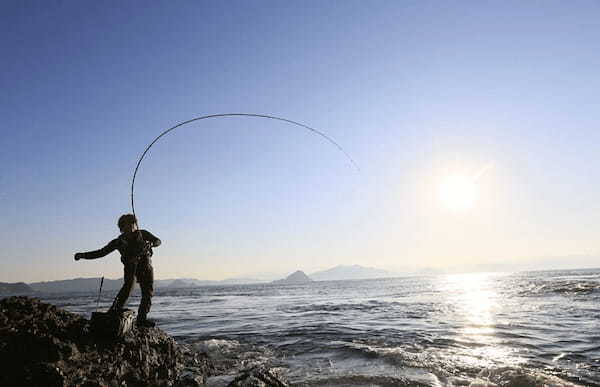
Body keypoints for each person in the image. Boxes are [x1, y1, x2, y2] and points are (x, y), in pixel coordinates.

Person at [74, 214, 161, 327]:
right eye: (126, 225)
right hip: (130, 268)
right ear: (121, 228)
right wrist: (83, 255)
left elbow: (158, 241)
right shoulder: (118, 241)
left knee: (147, 294)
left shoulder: (143, 234)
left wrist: (151, 243)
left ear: (135, 224)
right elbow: (101, 252)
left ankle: (142, 319)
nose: (130, 227)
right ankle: (112, 313)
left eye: (132, 224)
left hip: (146, 267)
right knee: (127, 289)